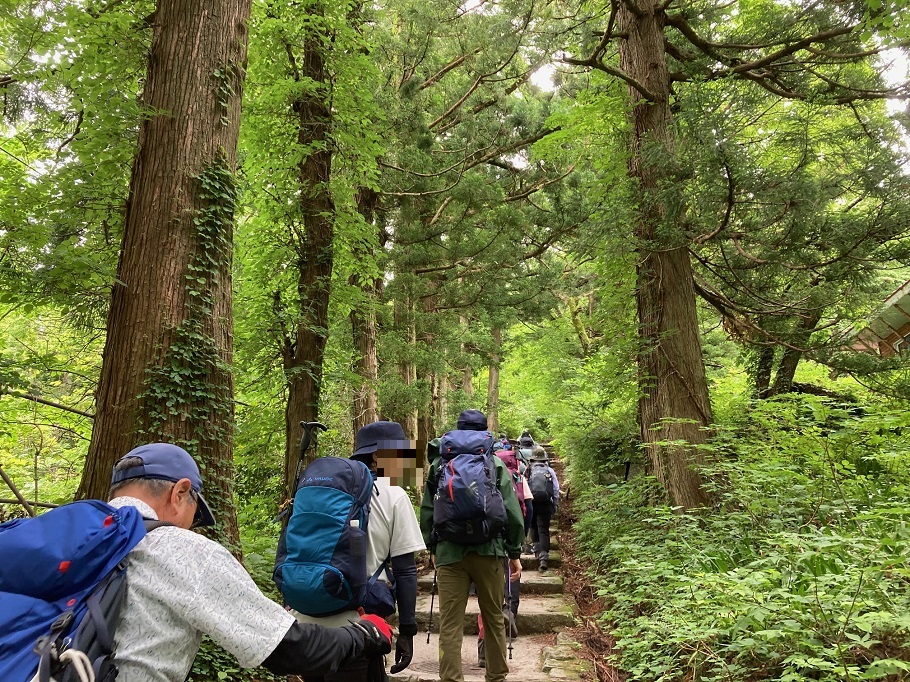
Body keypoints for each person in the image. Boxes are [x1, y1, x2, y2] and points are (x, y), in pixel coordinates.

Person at [105, 442, 392, 682]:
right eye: (195, 515)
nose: (190, 527)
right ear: (180, 493)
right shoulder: (185, 550)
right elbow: (290, 650)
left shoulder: (69, 535)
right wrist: (365, 632)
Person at [291, 421, 427, 682]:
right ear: (378, 456)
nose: (409, 459)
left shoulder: (322, 492)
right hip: (357, 628)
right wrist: (408, 630)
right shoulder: (394, 495)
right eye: (402, 451)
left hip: (307, 624)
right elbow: (406, 570)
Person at [419, 409, 525, 682]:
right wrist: (514, 553)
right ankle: (496, 676)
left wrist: (433, 549)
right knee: (492, 617)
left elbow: (428, 510)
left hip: (449, 552)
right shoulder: (495, 463)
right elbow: (512, 512)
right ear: (484, 432)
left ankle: (451, 678)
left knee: (450, 623)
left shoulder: (438, 465)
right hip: (489, 550)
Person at [526, 444, 560, 572]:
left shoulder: (528, 469)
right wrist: (554, 503)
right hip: (546, 503)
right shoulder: (549, 470)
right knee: (544, 529)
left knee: (533, 526)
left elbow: (523, 486)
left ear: (533, 458)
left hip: (531, 501)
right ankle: (544, 558)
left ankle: (537, 551)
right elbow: (556, 488)